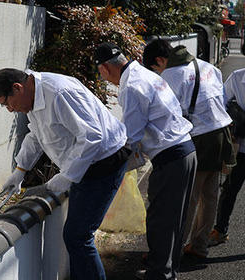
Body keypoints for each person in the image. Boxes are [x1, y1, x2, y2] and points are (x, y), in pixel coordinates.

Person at [0, 68, 131, 280]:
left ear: (17, 88)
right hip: (86, 164)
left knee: (78, 236)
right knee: (76, 234)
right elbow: (36, 136)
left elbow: (92, 136)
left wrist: (67, 177)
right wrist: (19, 171)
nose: (9, 109)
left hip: (104, 162)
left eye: (6, 103)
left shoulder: (59, 93)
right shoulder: (33, 98)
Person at [94, 42, 197, 280]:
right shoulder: (143, 73)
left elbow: (130, 138)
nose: (103, 79)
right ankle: (166, 271)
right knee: (173, 220)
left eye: (100, 73)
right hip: (185, 150)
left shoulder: (132, 86)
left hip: (171, 156)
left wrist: (107, 168)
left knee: (161, 220)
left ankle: (159, 274)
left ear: (106, 68)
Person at [143, 39, 236, 260]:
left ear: (159, 60)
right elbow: (220, 100)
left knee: (186, 198)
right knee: (209, 195)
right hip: (221, 134)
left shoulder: (169, 77)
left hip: (198, 137)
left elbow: (168, 112)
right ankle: (199, 246)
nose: (156, 73)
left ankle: (171, 253)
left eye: (154, 69)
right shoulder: (208, 67)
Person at [208, 68, 245, 246]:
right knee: (229, 189)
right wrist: (231, 123)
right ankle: (220, 230)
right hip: (241, 147)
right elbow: (221, 102)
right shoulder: (238, 77)